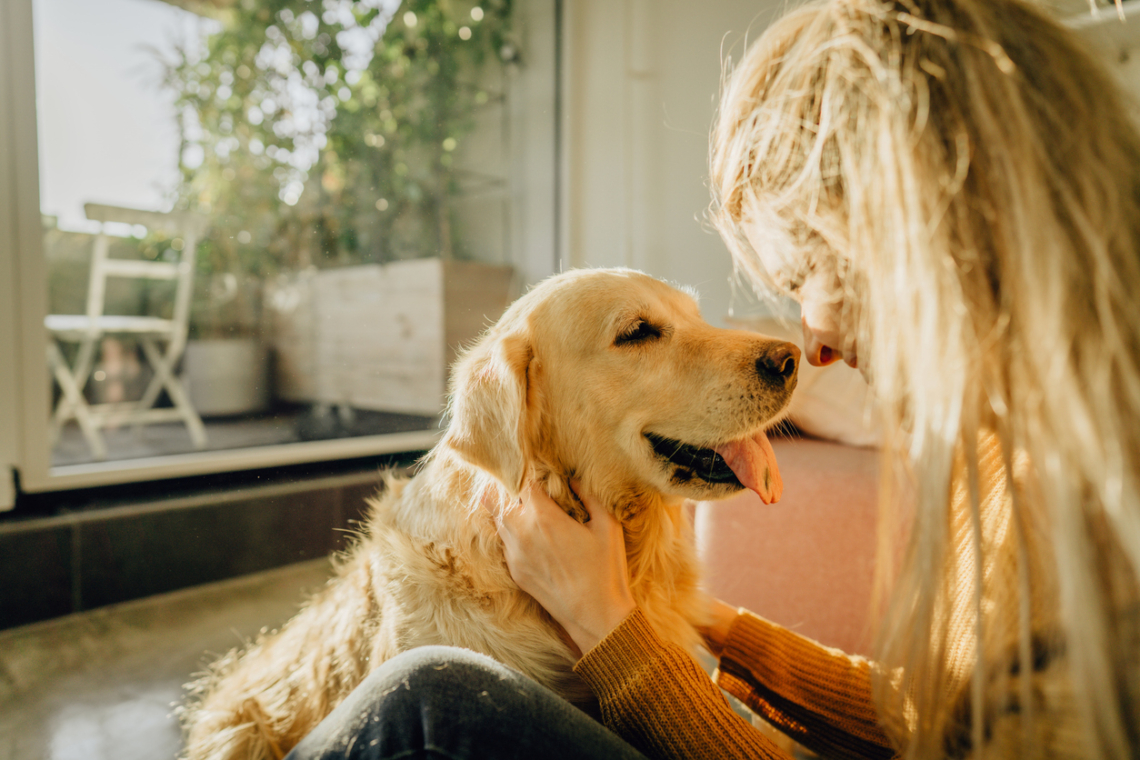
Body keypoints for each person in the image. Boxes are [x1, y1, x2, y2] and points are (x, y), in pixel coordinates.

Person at [285, 0, 1140, 758]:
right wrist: (706, 630)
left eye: (813, 270)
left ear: (933, 229)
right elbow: (936, 719)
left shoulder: (1094, 558)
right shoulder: (1034, 449)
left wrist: (612, 633)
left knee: (426, 700)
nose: (814, 343)